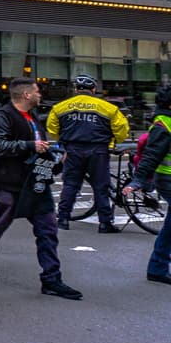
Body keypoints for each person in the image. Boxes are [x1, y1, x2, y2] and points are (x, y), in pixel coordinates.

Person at [0, 78, 82, 300]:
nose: (40, 94)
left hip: (36, 182)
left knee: (47, 229)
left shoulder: (32, 117)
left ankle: (51, 278)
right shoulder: (4, 116)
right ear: (26, 95)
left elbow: (38, 146)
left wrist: (54, 160)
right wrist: (30, 146)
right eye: (37, 91)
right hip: (12, 182)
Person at [49, 74, 129, 232]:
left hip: (73, 149)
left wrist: (65, 140)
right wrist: (112, 142)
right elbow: (122, 129)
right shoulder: (108, 107)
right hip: (98, 150)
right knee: (101, 186)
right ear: (93, 89)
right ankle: (105, 223)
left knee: (71, 184)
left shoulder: (60, 107)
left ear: (76, 89)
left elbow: (52, 129)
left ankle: (63, 219)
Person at [122, 83, 171, 286]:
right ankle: (157, 267)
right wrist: (139, 180)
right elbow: (151, 155)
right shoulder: (163, 124)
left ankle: (157, 267)